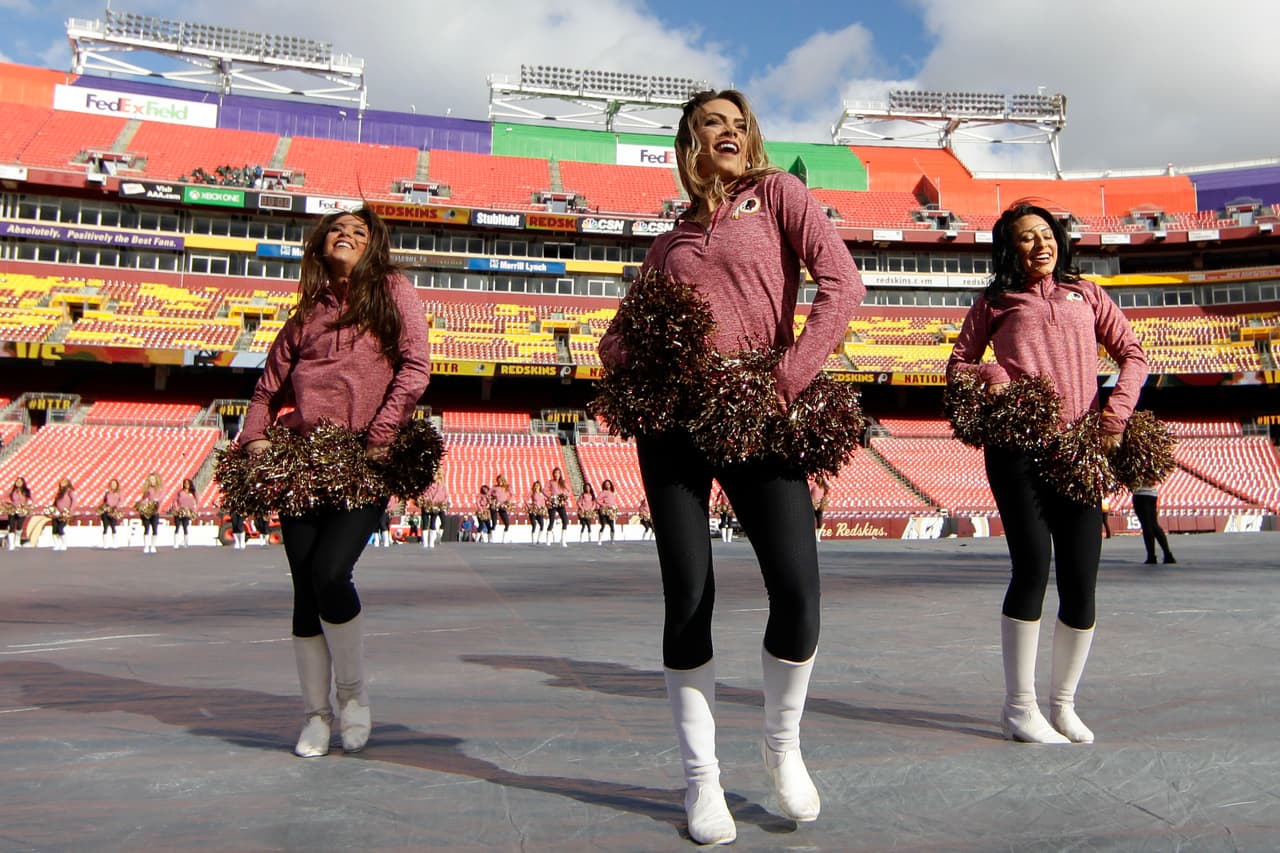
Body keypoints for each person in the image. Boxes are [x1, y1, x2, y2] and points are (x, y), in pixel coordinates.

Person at [598, 89, 864, 843]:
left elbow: (843, 285)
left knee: (798, 592)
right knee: (689, 596)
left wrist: (789, 376)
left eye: (739, 123)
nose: (728, 131)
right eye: (712, 122)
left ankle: (782, 745)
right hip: (673, 424)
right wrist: (639, 352)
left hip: (758, 405)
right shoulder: (668, 244)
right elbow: (614, 339)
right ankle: (702, 779)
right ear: (689, 143)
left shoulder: (778, 195)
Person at [947, 201, 1148, 746]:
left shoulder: (1088, 294)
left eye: (1046, 234)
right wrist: (995, 376)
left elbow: (1133, 355)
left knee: (1081, 581)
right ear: (1010, 250)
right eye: (1026, 238)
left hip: (1079, 450)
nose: (1040, 244)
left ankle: (1063, 706)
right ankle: (1019, 708)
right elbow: (958, 366)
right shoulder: (995, 301)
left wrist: (1115, 416)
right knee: (1032, 567)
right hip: (1015, 450)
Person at [238, 206, 431, 758]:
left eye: (358, 231)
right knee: (305, 588)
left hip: (366, 457)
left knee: (330, 571)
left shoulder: (393, 291)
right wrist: (254, 439)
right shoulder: (305, 315)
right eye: (336, 230)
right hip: (303, 461)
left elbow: (416, 367)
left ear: (373, 246)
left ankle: (352, 695)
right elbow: (266, 390)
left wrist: (381, 434)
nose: (345, 234)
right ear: (322, 246)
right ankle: (315, 715)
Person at [1132, 483, 1175, 565]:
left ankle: (1151, 556)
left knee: (1146, 525)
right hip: (1152, 494)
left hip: (1140, 494)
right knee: (1154, 524)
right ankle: (1167, 554)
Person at [137, 472, 163, 554]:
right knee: (146, 528)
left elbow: (161, 498)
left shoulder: (160, 489)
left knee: (154, 528)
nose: (152, 481)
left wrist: (156, 502)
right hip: (147, 511)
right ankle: (146, 546)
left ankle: (153, 546)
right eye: (150, 479)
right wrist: (144, 504)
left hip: (155, 512)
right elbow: (144, 499)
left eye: (153, 479)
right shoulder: (147, 489)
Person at [545, 466, 570, 548]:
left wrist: (565, 495)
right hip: (553, 502)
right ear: (553, 474)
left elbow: (569, 490)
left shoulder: (563, 482)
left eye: (558, 473)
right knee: (551, 520)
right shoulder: (550, 482)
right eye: (555, 473)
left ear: (560, 474)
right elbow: (544, 490)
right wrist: (550, 497)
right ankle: (548, 540)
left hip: (560, 502)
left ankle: (563, 540)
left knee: (565, 520)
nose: (556, 475)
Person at [421, 478, 448, 548]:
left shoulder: (442, 487)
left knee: (433, 523)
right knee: (425, 523)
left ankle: (432, 542)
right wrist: (428, 501)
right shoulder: (425, 485)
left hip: (436, 506)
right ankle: (425, 542)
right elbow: (423, 495)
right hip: (426, 506)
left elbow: (446, 496)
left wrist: (440, 503)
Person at [49, 477, 75, 551]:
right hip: (57, 513)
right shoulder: (59, 492)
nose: (62, 483)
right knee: (54, 529)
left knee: (60, 528)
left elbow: (74, 501)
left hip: (64, 514)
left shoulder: (70, 492)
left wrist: (70, 511)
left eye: (64, 482)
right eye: (61, 482)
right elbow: (55, 503)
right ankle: (57, 544)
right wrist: (52, 510)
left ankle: (64, 544)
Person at [171, 478, 198, 548]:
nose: (186, 485)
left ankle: (186, 542)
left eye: (187, 483)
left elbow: (196, 502)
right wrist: (177, 508)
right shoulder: (180, 492)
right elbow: (174, 500)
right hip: (179, 512)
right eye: (185, 483)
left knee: (185, 526)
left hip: (187, 512)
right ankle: (176, 543)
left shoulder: (193, 493)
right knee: (177, 526)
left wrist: (193, 511)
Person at [6, 476, 32, 549]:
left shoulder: (26, 491)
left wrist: (28, 506)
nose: (18, 483)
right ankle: (11, 544)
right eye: (17, 481)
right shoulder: (12, 490)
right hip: (12, 510)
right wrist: (7, 504)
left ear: (23, 483)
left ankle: (17, 540)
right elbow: (3, 497)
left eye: (20, 482)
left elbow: (32, 499)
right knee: (11, 526)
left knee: (19, 526)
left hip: (22, 510)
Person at [98, 478, 124, 549]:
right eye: (112, 484)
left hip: (113, 511)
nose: (113, 485)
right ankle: (105, 544)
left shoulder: (119, 493)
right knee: (105, 527)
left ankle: (115, 543)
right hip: (106, 511)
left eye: (114, 484)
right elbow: (104, 501)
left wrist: (116, 507)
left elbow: (121, 501)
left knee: (113, 526)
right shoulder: (107, 493)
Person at [491, 473, 513, 543]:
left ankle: (504, 539)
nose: (499, 482)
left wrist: (508, 502)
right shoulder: (494, 487)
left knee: (507, 523)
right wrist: (492, 500)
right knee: (494, 523)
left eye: (501, 480)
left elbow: (512, 495)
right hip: (495, 505)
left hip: (502, 506)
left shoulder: (507, 487)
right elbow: (488, 494)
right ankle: (491, 539)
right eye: (498, 480)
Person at [597, 479, 619, 544]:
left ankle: (612, 540)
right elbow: (597, 499)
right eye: (606, 484)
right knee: (603, 524)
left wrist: (614, 506)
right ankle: (600, 540)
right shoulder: (603, 492)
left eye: (608, 484)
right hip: (604, 510)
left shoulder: (613, 493)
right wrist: (603, 505)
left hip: (611, 510)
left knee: (612, 525)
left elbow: (613, 501)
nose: (607, 485)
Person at [527, 480, 548, 545]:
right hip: (533, 510)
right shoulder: (532, 492)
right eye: (535, 486)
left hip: (539, 511)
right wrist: (529, 506)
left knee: (542, 525)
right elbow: (526, 500)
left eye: (538, 486)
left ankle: (539, 539)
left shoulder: (541, 493)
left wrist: (544, 507)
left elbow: (544, 501)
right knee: (534, 524)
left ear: (539, 486)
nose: (536, 487)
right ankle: (533, 540)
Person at [809, 477, 829, 542]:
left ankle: (818, 537)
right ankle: (811, 536)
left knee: (820, 523)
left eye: (820, 478)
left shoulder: (823, 486)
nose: (819, 479)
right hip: (812, 504)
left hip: (820, 506)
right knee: (811, 522)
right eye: (818, 478)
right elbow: (808, 492)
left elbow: (824, 495)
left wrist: (823, 502)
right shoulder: (813, 484)